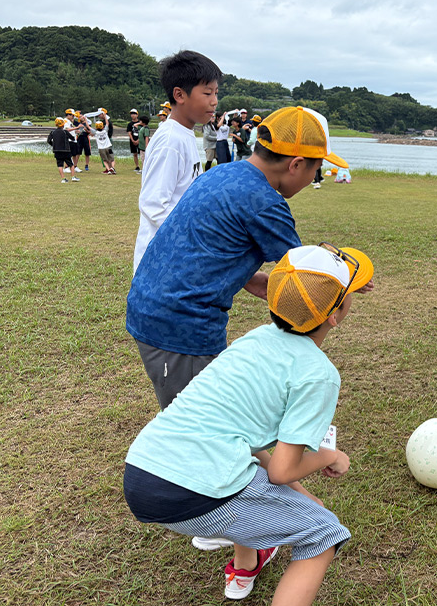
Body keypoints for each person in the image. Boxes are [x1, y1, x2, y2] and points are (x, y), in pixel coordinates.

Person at [124, 242, 371, 604]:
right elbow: (283, 471)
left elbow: (249, 447)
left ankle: (248, 559)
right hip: (195, 491)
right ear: (335, 315)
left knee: (244, 475)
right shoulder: (319, 375)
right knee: (324, 534)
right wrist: (331, 456)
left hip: (142, 471)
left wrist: (305, 498)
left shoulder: (253, 341)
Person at [127, 106, 350, 412]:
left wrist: (243, 275)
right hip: (181, 326)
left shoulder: (223, 172)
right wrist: (349, 278)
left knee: (213, 412)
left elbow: (202, 241)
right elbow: (308, 279)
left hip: (152, 304)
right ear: (296, 164)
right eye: (316, 169)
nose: (314, 177)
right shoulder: (266, 203)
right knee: (204, 425)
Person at [132, 49, 222, 273]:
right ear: (180, 95)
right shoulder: (171, 140)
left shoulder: (185, 133)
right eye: (207, 93)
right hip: (161, 262)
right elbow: (153, 205)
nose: (214, 102)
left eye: (216, 93)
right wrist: (194, 242)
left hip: (178, 259)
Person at [47, 117, 73, 183]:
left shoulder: (53, 132)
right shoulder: (65, 132)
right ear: (63, 124)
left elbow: (48, 140)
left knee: (60, 165)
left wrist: (53, 145)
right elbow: (72, 138)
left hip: (57, 150)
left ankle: (63, 178)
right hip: (66, 150)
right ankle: (73, 177)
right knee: (70, 164)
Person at [62, 108, 81, 176]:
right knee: (69, 154)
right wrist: (76, 128)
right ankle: (66, 167)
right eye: (72, 115)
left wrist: (76, 131)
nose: (73, 117)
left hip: (73, 139)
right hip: (68, 140)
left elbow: (71, 130)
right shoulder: (65, 121)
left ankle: (74, 166)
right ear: (68, 115)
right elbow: (67, 130)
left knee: (75, 154)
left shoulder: (70, 122)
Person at [127, 108, 142, 172]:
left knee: (142, 153)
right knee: (134, 153)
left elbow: (142, 132)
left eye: (134, 114)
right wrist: (133, 140)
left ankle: (144, 165)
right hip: (133, 140)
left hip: (140, 140)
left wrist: (138, 140)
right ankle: (137, 166)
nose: (132, 115)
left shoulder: (140, 123)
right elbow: (129, 132)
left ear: (137, 115)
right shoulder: (130, 124)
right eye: (131, 114)